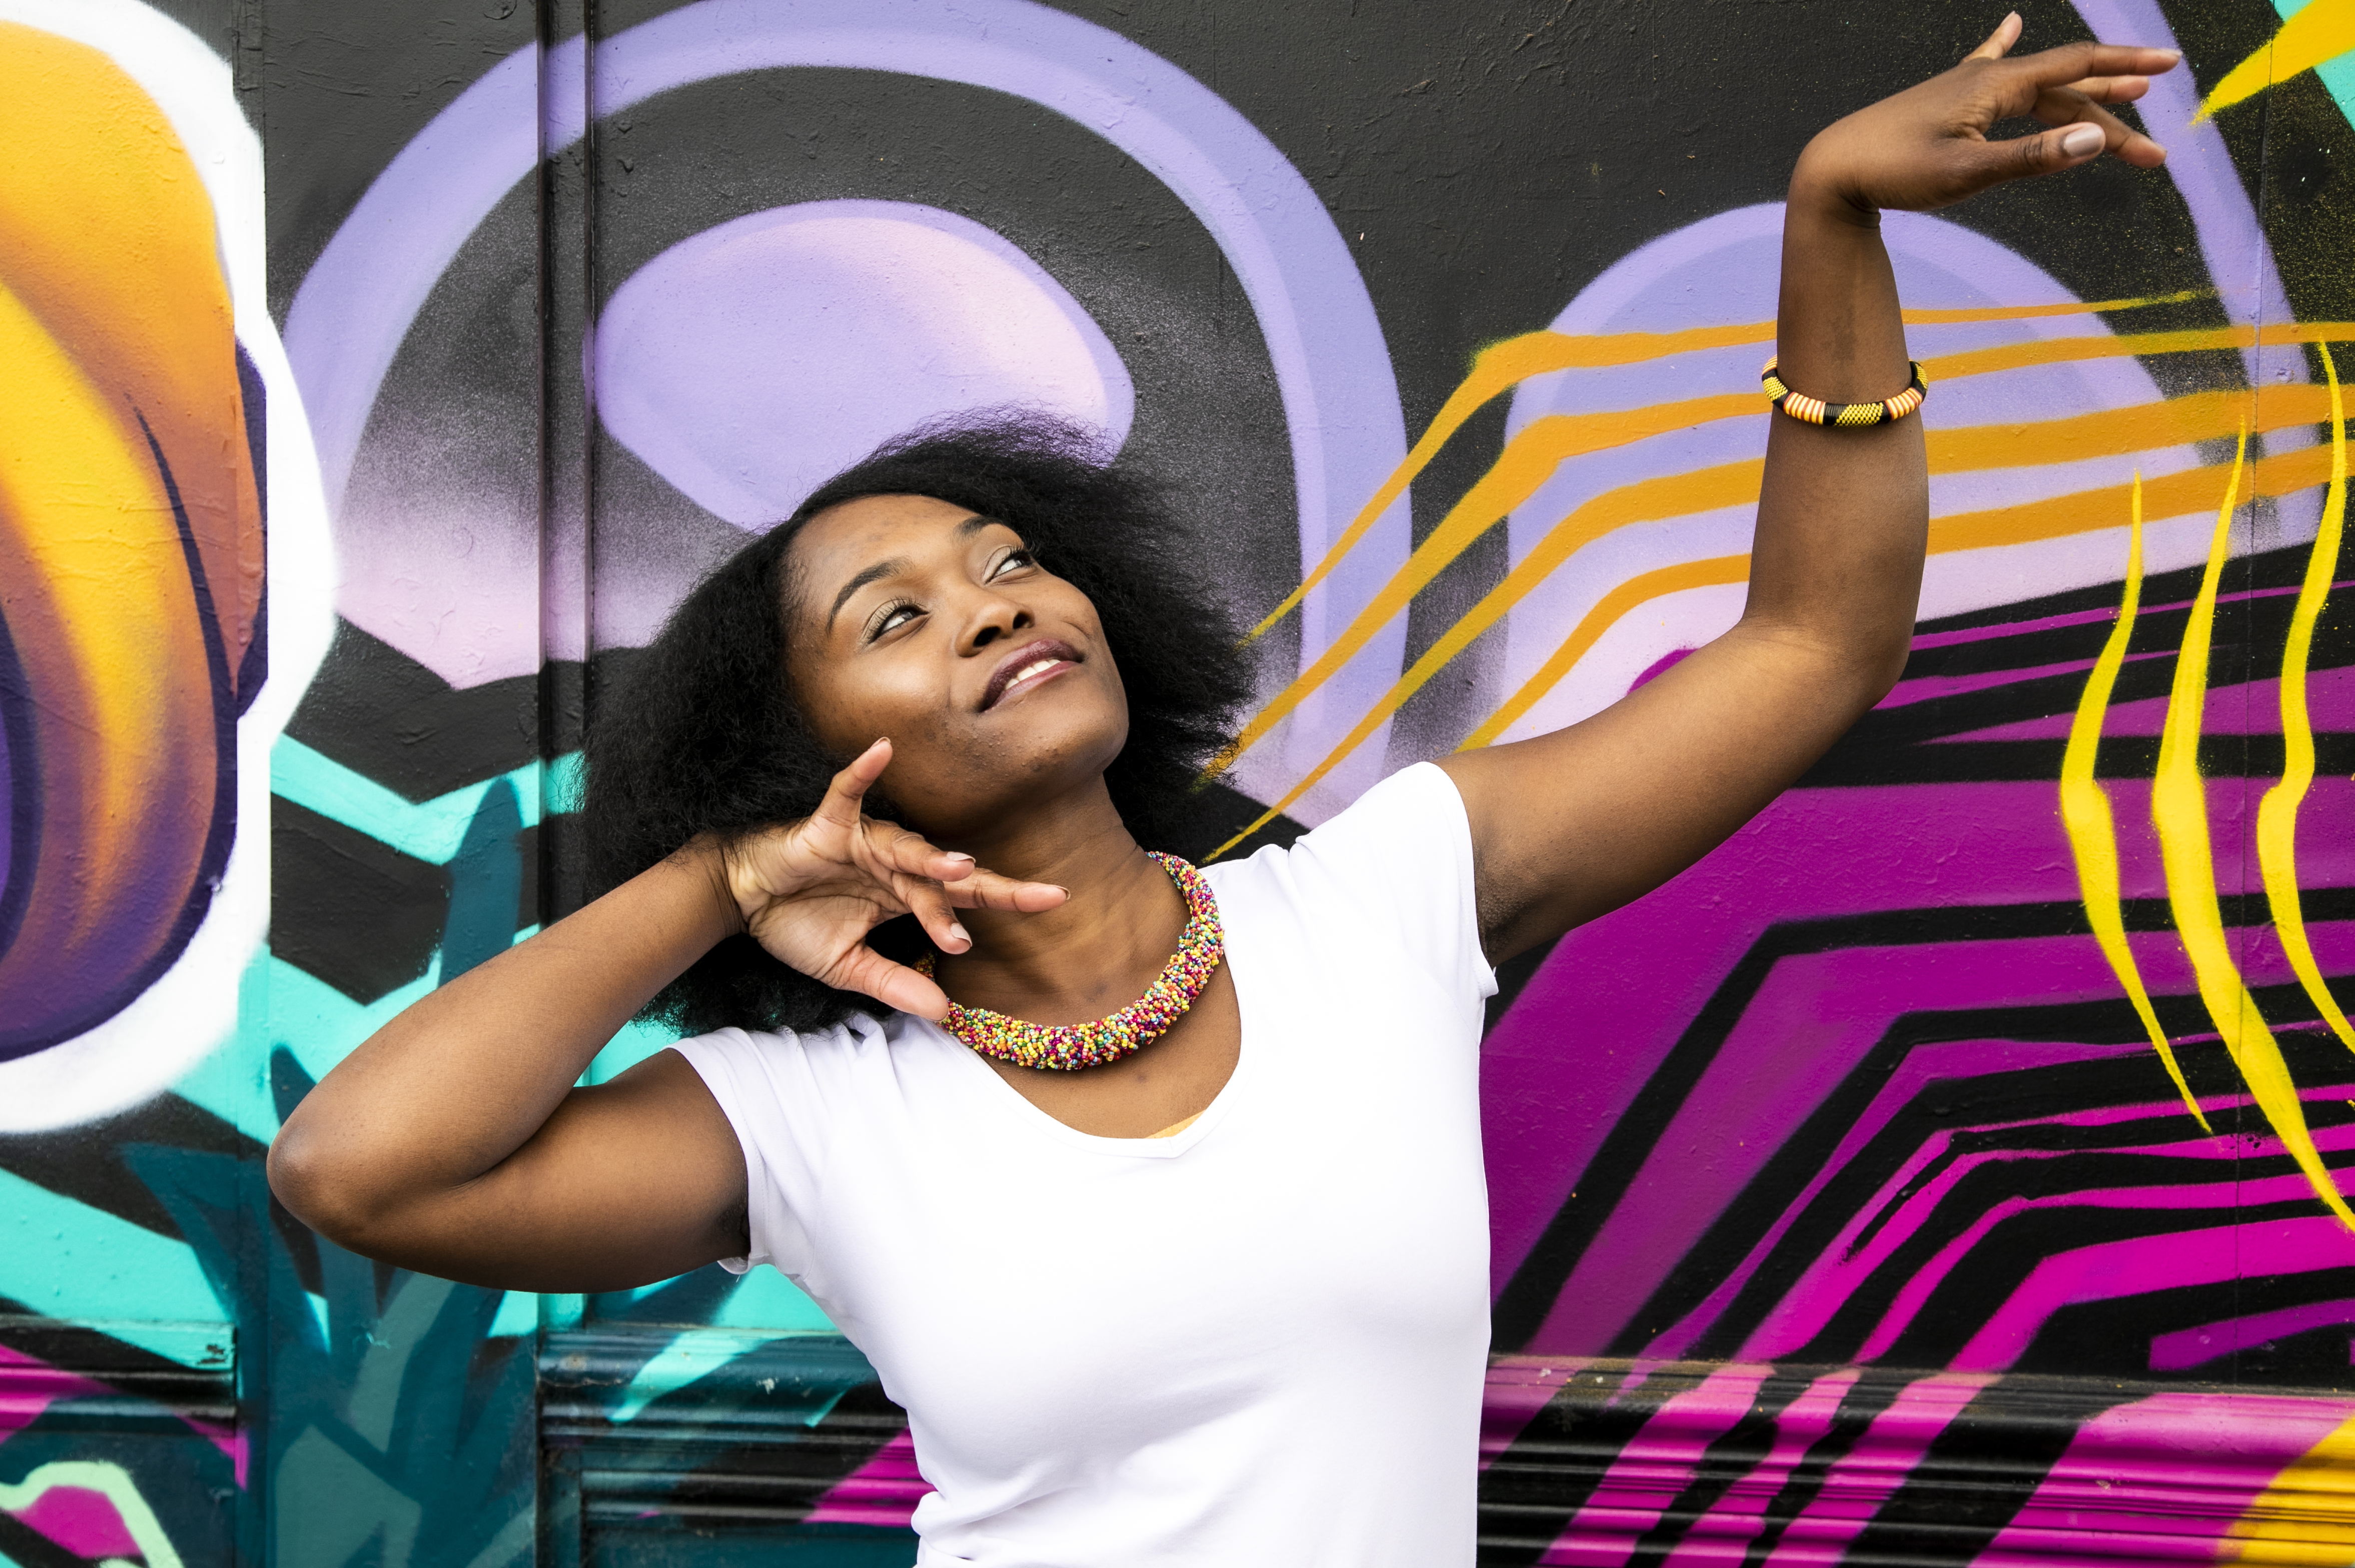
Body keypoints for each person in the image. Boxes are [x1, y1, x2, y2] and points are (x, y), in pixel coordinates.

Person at [270, 18, 2179, 1565]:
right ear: (806, 752)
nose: (992, 601)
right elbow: (359, 1171)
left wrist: (1828, 222)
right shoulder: (809, 1114)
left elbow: (1802, 651)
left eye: (1005, 555)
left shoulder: (1383, 905)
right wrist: (720, 877)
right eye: (895, 614)